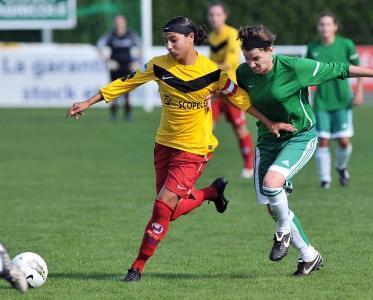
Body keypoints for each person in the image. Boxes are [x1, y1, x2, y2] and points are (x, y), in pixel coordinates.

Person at [66, 16, 294, 282]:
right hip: (164, 145)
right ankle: (212, 192)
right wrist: (88, 102)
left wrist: (269, 120)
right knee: (168, 210)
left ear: (190, 38)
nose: (169, 46)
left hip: (194, 150)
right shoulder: (158, 66)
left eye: (173, 40)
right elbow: (125, 82)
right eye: (165, 41)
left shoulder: (214, 72)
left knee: (162, 208)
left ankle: (136, 268)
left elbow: (240, 99)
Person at [231, 25, 373, 276]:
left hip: (300, 137)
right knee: (272, 205)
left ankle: (283, 231)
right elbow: (242, 101)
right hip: (267, 140)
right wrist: (269, 123)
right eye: (248, 59)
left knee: (272, 183)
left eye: (257, 59)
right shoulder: (243, 73)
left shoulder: (294, 67)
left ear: (270, 51)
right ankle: (309, 256)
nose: (252, 65)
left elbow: (339, 69)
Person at [306, 11, 364, 188]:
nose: (324, 28)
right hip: (321, 102)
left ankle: (341, 167)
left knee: (343, 141)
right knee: (322, 140)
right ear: (318, 27)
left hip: (342, 101)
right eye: (321, 24)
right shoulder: (313, 48)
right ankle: (325, 180)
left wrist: (359, 92)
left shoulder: (346, 44)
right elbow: (306, 75)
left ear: (335, 27)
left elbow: (359, 69)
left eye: (328, 24)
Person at [207, 2, 254, 178]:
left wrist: (208, 71)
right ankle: (203, 160)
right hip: (215, 90)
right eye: (211, 15)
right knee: (206, 127)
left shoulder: (232, 34)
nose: (214, 18)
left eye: (218, 14)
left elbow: (230, 62)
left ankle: (249, 165)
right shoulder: (212, 37)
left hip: (231, 89)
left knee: (239, 128)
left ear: (224, 16)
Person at [97, 15, 141, 121]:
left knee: (127, 91)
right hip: (115, 67)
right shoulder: (111, 35)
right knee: (114, 91)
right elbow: (99, 45)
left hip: (127, 66)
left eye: (121, 22)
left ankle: (128, 114)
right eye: (117, 22)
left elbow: (141, 46)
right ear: (114, 24)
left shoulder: (131, 35)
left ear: (124, 23)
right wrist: (108, 61)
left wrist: (137, 62)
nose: (119, 24)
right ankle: (113, 114)